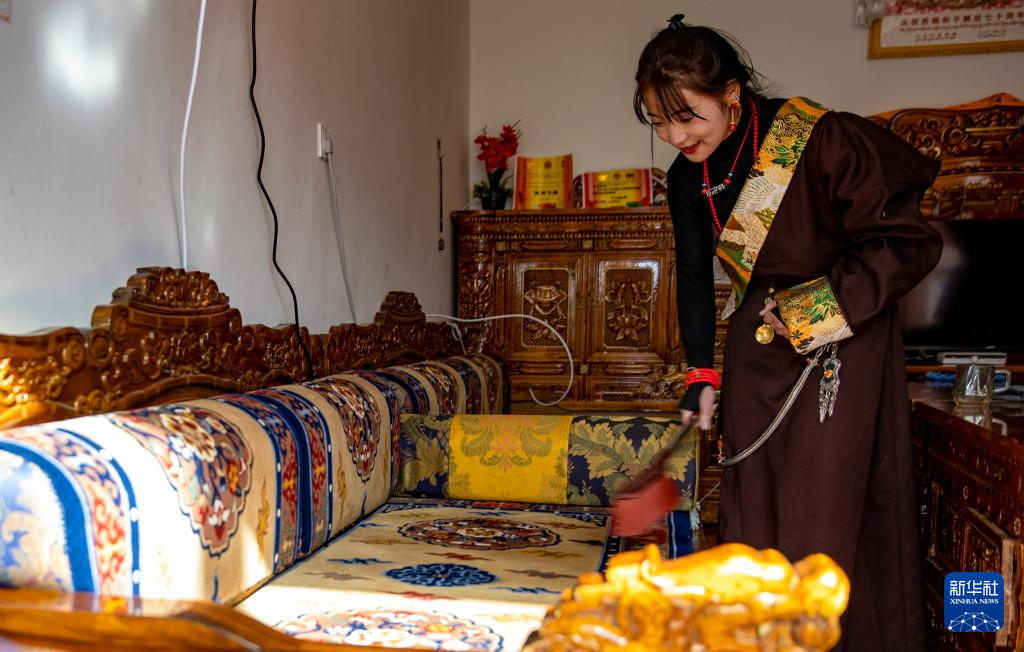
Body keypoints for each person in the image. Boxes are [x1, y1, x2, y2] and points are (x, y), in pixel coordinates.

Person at [633, 14, 942, 652]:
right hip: (757, 357)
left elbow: (908, 243)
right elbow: (693, 277)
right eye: (658, 122)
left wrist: (812, 311)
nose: (675, 136)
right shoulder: (689, 176)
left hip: (839, 347)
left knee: (821, 508)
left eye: (686, 116)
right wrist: (701, 374)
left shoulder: (820, 138)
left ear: (731, 95)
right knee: (756, 507)